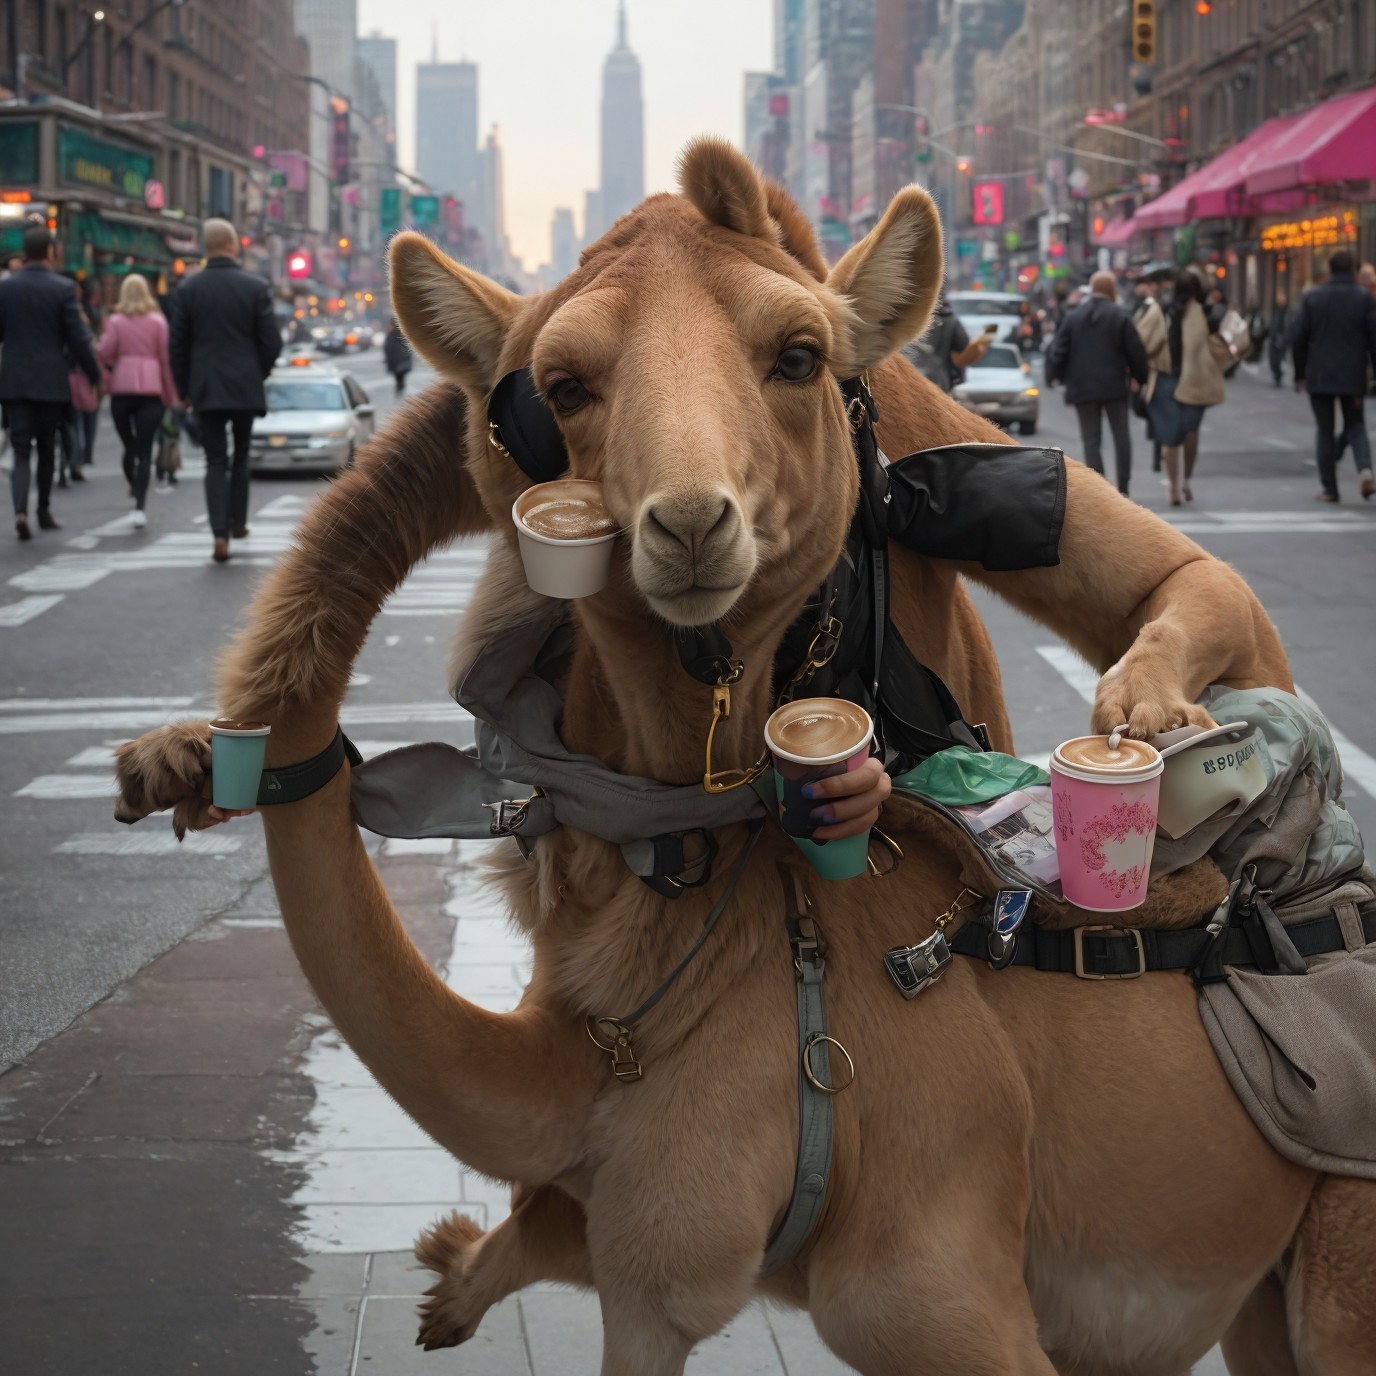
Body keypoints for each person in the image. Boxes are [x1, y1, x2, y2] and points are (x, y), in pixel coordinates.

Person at [169, 217, 281, 562]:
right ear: (233, 246)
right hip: (245, 385)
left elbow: (177, 345)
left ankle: (219, 533)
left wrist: (185, 386)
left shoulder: (188, 290)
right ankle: (238, 523)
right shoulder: (255, 287)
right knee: (242, 455)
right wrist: (257, 372)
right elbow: (272, 343)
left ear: (206, 247)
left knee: (214, 459)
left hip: (206, 386)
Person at [0, 225, 99, 539]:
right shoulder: (62, 289)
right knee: (46, 449)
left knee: (20, 450)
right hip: (50, 380)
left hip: (14, 378)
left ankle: (19, 509)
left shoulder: (6, 288)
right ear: (51, 252)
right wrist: (93, 374)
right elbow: (77, 338)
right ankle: (42, 510)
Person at [1046, 270, 1148, 495]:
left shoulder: (1074, 316)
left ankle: (1102, 491)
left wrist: (1061, 378)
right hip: (1114, 386)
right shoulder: (1120, 316)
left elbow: (1058, 351)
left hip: (1083, 387)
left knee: (1091, 440)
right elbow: (1136, 351)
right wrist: (1140, 378)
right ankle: (1124, 487)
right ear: (1111, 290)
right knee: (1121, 436)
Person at [1290, 248, 1376, 502]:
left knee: (1324, 431)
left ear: (1330, 270)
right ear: (1352, 270)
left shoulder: (1313, 298)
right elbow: (1374, 339)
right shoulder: (1363, 299)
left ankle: (1330, 488)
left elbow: (1300, 338)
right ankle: (1365, 470)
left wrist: (1299, 372)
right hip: (1353, 375)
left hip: (1320, 375)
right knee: (1356, 425)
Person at [1136, 269, 1225, 506]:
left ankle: (1174, 487)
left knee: (1170, 438)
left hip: (1166, 378)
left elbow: (1142, 341)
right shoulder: (1205, 314)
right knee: (1191, 432)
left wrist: (1139, 371)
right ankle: (1185, 480)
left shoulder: (1161, 310)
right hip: (1196, 380)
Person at [99, 273, 178, 528]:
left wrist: (116, 366)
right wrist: (170, 393)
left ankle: (134, 486)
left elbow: (103, 351)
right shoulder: (158, 322)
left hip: (121, 390)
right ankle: (139, 506)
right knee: (145, 451)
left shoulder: (116, 321)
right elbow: (166, 360)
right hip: (151, 390)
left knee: (129, 447)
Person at [383, 318, 413, 394]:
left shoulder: (392, 335)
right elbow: (406, 346)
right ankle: (400, 386)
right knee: (400, 376)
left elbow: (387, 348)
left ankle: (400, 387)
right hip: (399, 359)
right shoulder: (400, 334)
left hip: (396, 360)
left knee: (398, 376)